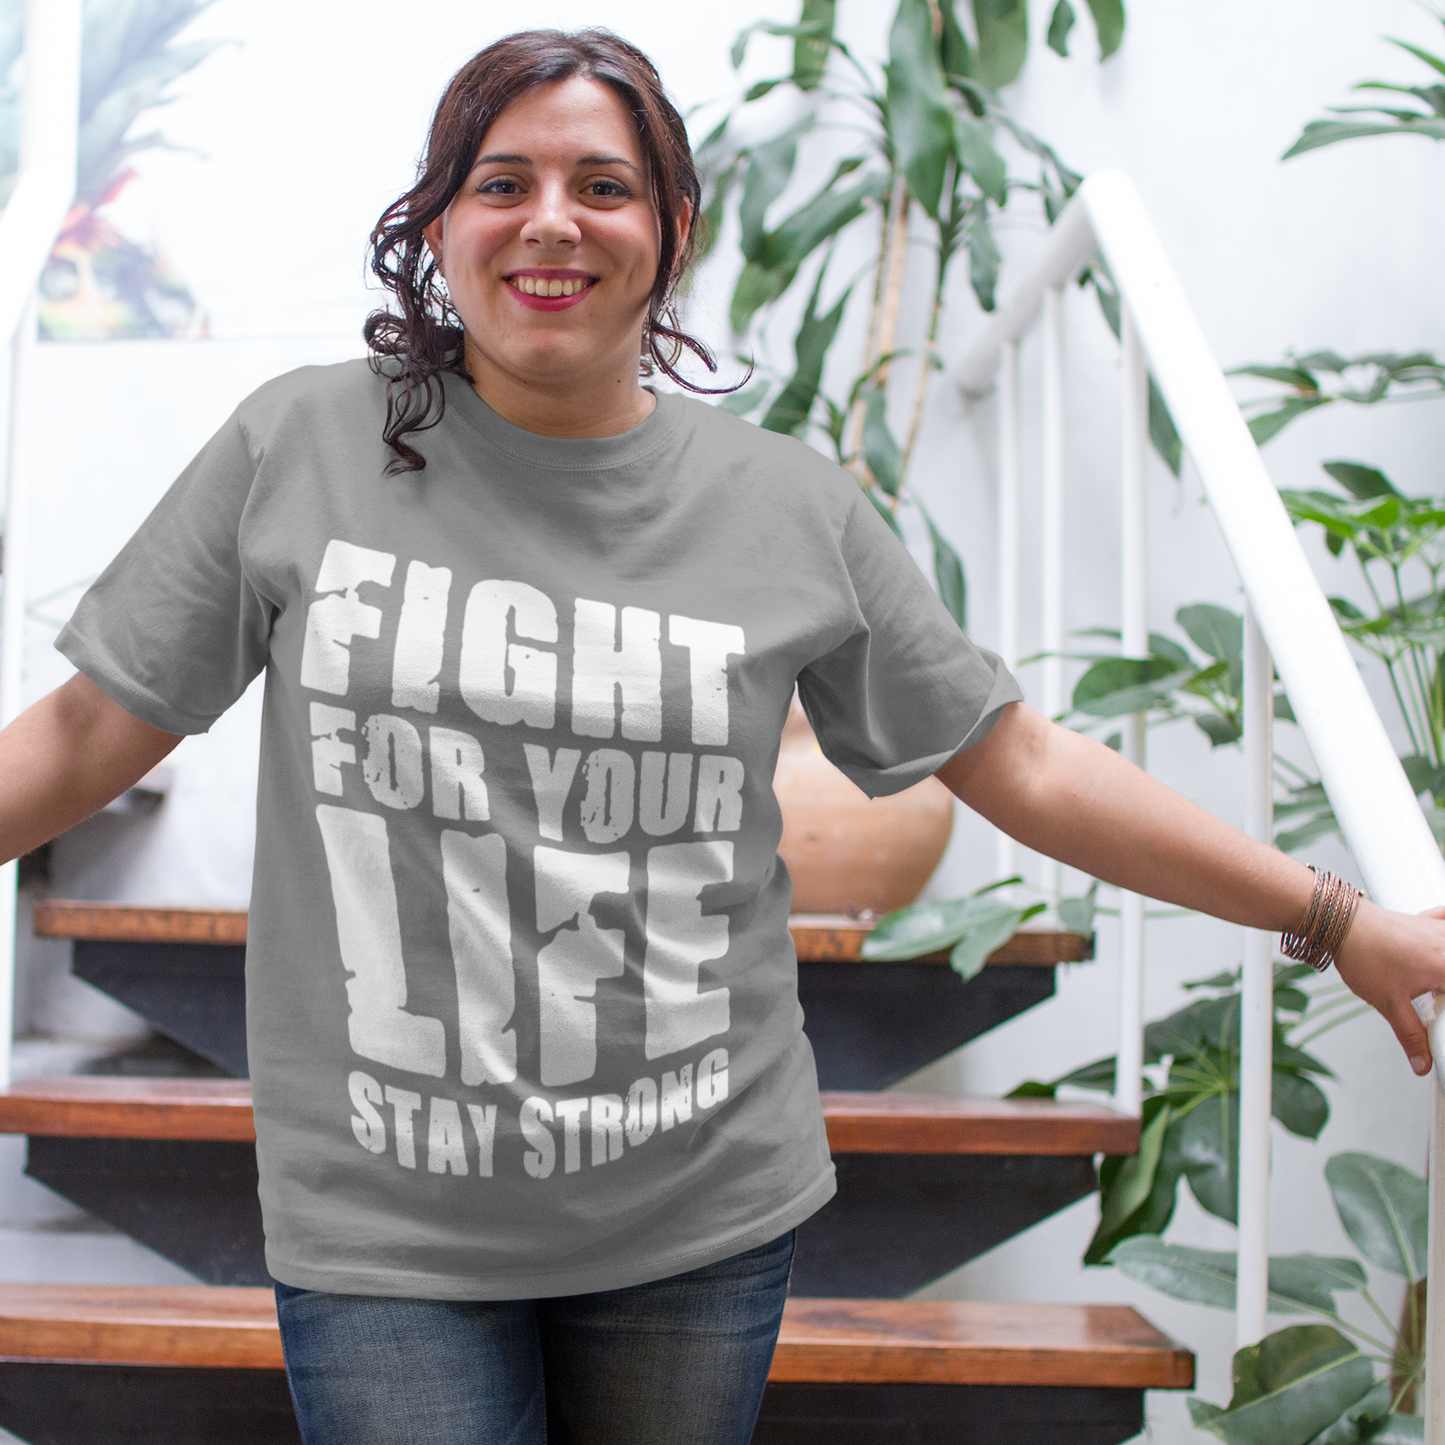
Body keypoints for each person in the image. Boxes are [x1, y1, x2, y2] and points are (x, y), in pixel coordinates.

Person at [4, 25, 1444, 1445]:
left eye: (603, 185)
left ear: (672, 226)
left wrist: (1335, 915)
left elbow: (1023, 764)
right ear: (438, 224)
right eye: (500, 182)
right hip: (388, 1220)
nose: (550, 220)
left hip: (694, 1210)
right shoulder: (298, 448)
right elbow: (83, 733)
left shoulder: (789, 506)